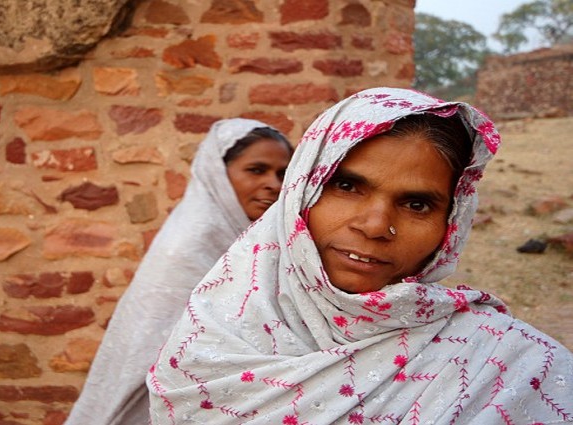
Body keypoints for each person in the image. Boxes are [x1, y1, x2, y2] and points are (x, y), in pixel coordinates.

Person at [147, 87, 573, 424]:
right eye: (347, 187)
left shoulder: (511, 365)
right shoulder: (212, 335)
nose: (374, 226)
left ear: (451, 225)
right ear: (301, 192)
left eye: (417, 204)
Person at [64, 118, 293, 425]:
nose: (273, 184)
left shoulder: (265, 242)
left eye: (282, 174)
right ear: (218, 175)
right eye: (256, 170)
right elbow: (151, 347)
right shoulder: (190, 245)